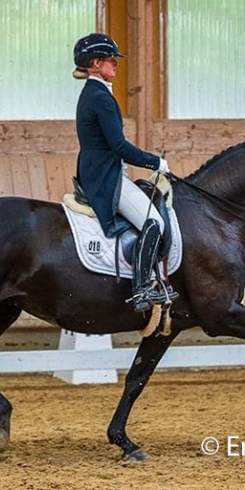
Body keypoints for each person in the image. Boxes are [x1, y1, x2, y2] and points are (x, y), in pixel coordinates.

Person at [72, 33, 178, 313]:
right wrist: (156, 162)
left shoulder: (93, 93)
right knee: (154, 222)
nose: (116, 66)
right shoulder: (100, 98)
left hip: (95, 171)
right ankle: (141, 289)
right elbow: (118, 145)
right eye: (111, 62)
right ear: (96, 64)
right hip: (104, 177)